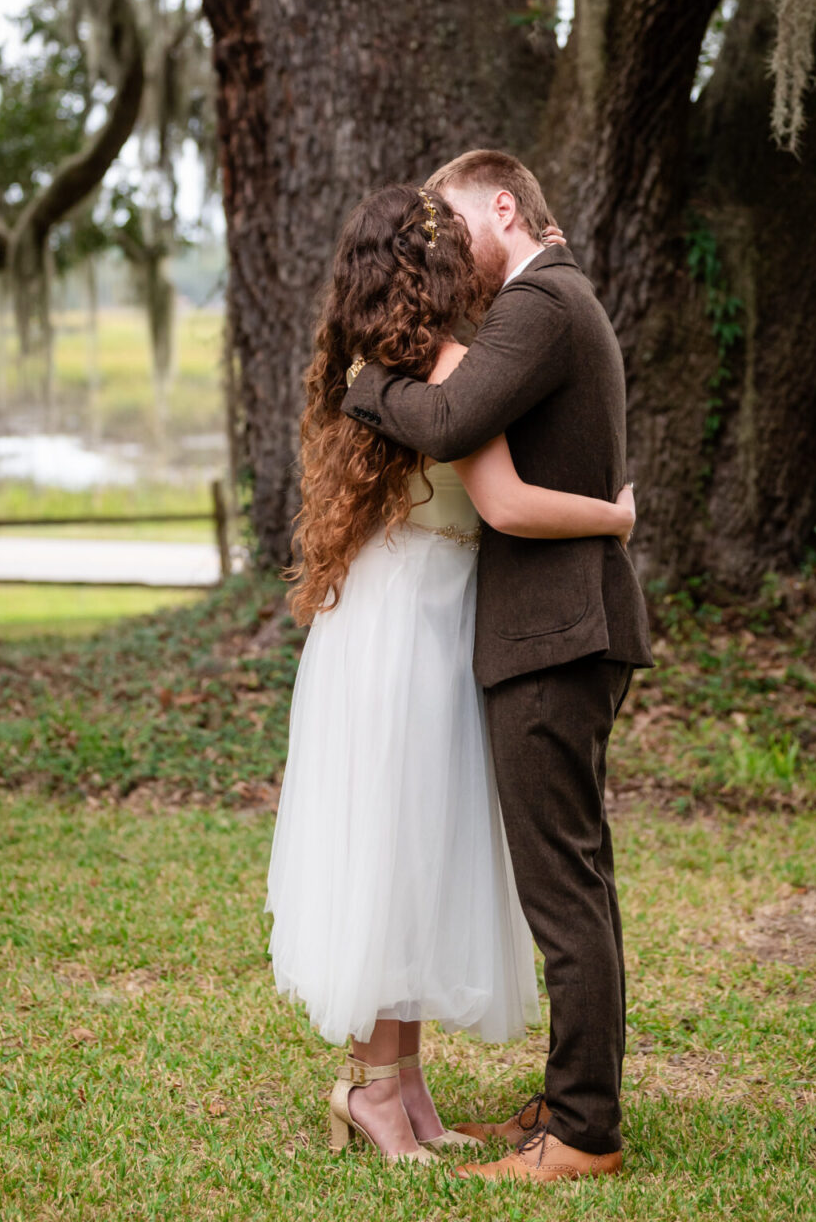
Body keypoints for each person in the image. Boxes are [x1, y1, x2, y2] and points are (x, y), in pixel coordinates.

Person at [264, 182, 638, 1167]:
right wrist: (613, 516)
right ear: (433, 275)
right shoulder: (453, 364)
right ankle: (372, 1089)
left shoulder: (374, 365)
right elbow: (506, 504)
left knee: (401, 857)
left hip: (382, 622)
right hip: (416, 631)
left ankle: (404, 1088)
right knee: (399, 855)